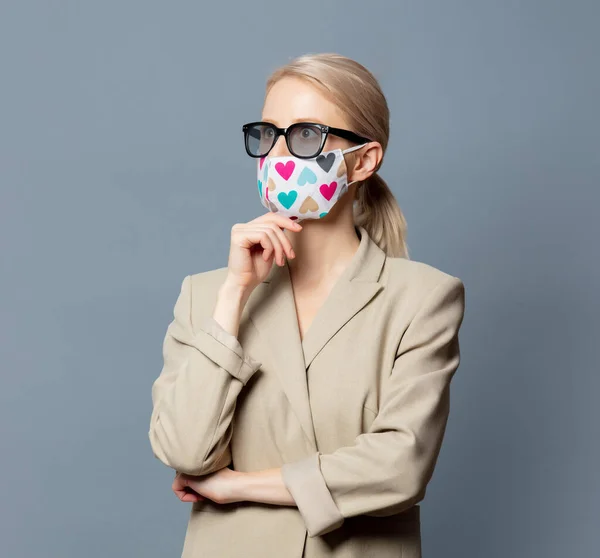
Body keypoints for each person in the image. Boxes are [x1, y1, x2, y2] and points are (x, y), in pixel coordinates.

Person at [148, 52, 466, 558]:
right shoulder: (206, 295)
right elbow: (185, 450)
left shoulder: (422, 299)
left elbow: (399, 465)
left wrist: (240, 486)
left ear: (363, 160)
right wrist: (235, 294)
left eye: (304, 136)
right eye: (268, 133)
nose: (277, 154)